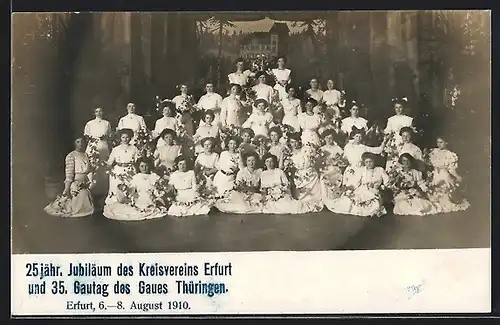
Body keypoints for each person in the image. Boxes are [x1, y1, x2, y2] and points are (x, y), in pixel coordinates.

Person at [103, 157, 168, 221]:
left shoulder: (154, 176)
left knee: (153, 208)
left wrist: (157, 194)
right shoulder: (136, 177)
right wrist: (125, 188)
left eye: (146, 166)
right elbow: (132, 190)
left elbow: (159, 190)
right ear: (139, 167)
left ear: (149, 166)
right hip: (140, 199)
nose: (144, 168)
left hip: (151, 198)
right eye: (142, 166)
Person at [326, 152, 389, 217]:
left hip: (374, 191)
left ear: (374, 161)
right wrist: (348, 188)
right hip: (362, 190)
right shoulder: (362, 170)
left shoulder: (380, 170)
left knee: (375, 205)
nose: (369, 164)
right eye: (366, 162)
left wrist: (382, 187)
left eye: (370, 161)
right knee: (350, 202)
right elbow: (356, 182)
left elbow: (387, 181)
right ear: (364, 162)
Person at [44, 136, 95, 218]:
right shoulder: (71, 156)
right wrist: (67, 188)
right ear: (74, 143)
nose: (80, 144)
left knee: (88, 197)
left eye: (82, 142)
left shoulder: (86, 155)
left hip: (85, 182)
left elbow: (89, 171)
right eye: (78, 142)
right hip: (75, 183)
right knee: (81, 195)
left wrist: (90, 182)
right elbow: (69, 174)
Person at [426, 136, 470, 213]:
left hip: (444, 174)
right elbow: (429, 164)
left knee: (445, 187)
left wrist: (457, 176)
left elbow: (451, 169)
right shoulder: (433, 152)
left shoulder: (450, 154)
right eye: (438, 142)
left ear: (446, 143)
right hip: (435, 174)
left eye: (441, 142)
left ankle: (446, 202)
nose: (439, 144)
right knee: (433, 190)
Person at [288, 133, 324, 212]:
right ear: (290, 143)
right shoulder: (290, 154)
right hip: (300, 175)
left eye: (296, 141)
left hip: (311, 173)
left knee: (315, 195)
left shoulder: (306, 149)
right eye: (292, 142)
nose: (295, 144)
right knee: (300, 198)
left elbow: (317, 157)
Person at [104, 128, 139, 206]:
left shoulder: (134, 148)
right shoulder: (116, 149)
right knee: (118, 186)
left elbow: (137, 161)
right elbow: (110, 161)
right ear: (120, 138)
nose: (125, 139)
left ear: (130, 138)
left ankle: (130, 200)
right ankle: (117, 200)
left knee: (130, 186)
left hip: (130, 170)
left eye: (127, 137)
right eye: (123, 137)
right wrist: (108, 167)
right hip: (118, 170)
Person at [83, 107, 112, 197]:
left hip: (103, 145)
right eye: (96, 111)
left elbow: (109, 135)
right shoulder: (90, 123)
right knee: (92, 165)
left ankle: (102, 189)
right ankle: (91, 187)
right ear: (94, 113)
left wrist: (105, 137)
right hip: (93, 146)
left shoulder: (106, 123)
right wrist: (92, 139)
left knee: (103, 166)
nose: (98, 113)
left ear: (103, 112)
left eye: (100, 111)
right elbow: (86, 135)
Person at [319, 129, 347, 203]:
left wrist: (338, 162)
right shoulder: (322, 149)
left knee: (337, 177)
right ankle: (326, 199)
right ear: (324, 138)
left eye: (330, 138)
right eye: (327, 137)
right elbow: (319, 162)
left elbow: (342, 160)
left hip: (335, 169)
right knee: (324, 177)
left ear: (333, 138)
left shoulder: (337, 148)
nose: (328, 139)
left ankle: (334, 197)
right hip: (326, 169)